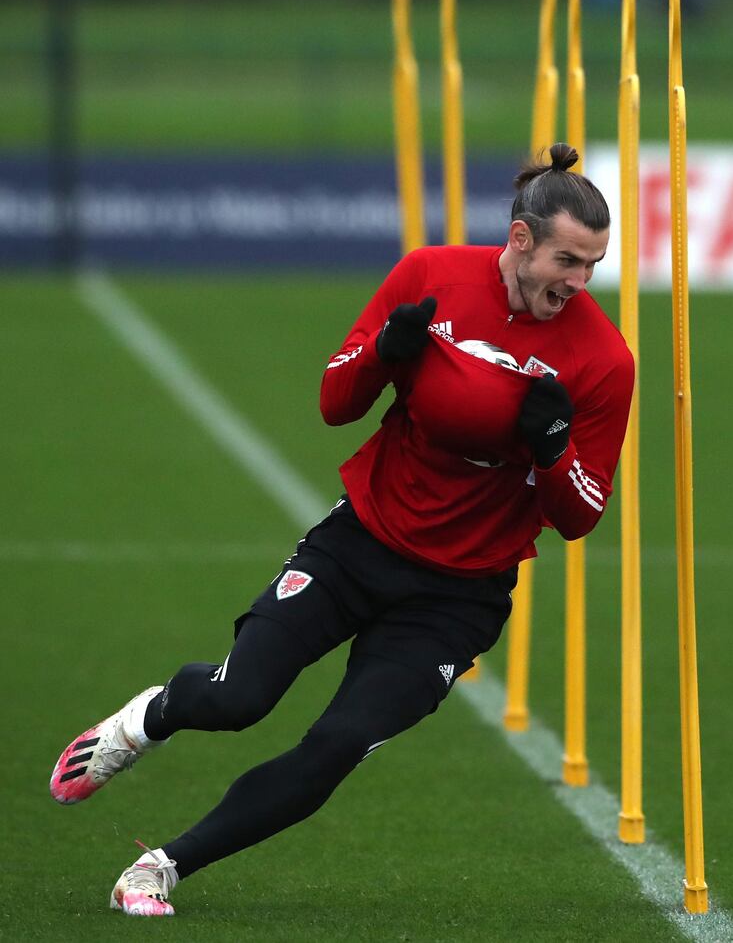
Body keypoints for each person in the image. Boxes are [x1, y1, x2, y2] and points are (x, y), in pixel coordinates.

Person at [50, 142, 634, 917]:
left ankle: (160, 867)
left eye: (594, 264)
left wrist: (553, 451)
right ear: (521, 240)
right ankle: (142, 722)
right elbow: (336, 403)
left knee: (331, 751)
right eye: (569, 260)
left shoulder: (603, 359)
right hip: (359, 543)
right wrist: (387, 358)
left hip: (458, 598)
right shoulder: (430, 275)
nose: (581, 282)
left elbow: (581, 515)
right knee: (238, 698)